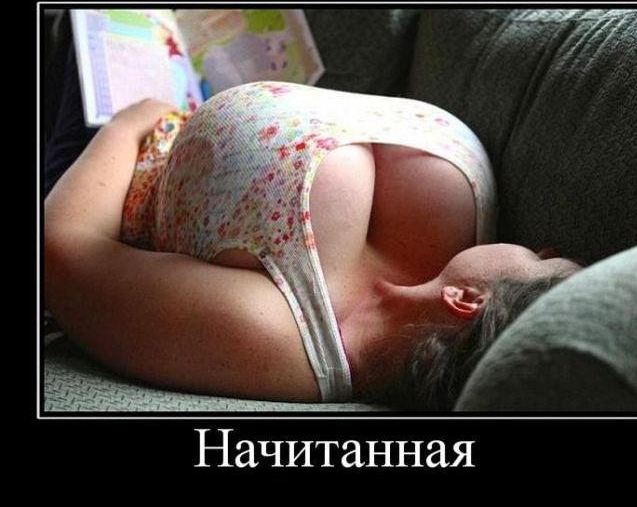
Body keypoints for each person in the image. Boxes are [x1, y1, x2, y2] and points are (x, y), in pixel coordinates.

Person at [44, 43, 582, 411]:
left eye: (542, 261)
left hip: (118, 163)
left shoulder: (281, 339)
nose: (541, 247)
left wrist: (127, 123)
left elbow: (65, 253)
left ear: (467, 301)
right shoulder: (453, 247)